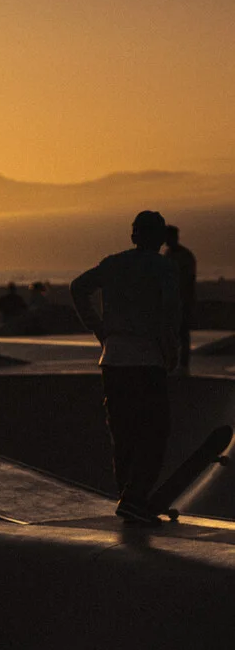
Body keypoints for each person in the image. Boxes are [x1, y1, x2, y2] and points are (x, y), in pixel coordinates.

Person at [70, 210, 180, 525]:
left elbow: (78, 288)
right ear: (159, 238)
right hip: (147, 361)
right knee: (155, 432)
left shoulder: (113, 263)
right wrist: (170, 352)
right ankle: (134, 498)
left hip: (114, 359)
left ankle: (129, 499)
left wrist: (100, 329)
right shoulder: (164, 268)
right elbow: (170, 313)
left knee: (124, 433)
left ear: (133, 237)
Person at [164, 225, 197, 374]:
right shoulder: (168, 254)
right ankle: (173, 363)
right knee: (172, 334)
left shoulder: (184, 256)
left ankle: (183, 365)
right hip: (171, 302)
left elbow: (189, 281)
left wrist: (188, 301)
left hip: (182, 300)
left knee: (182, 333)